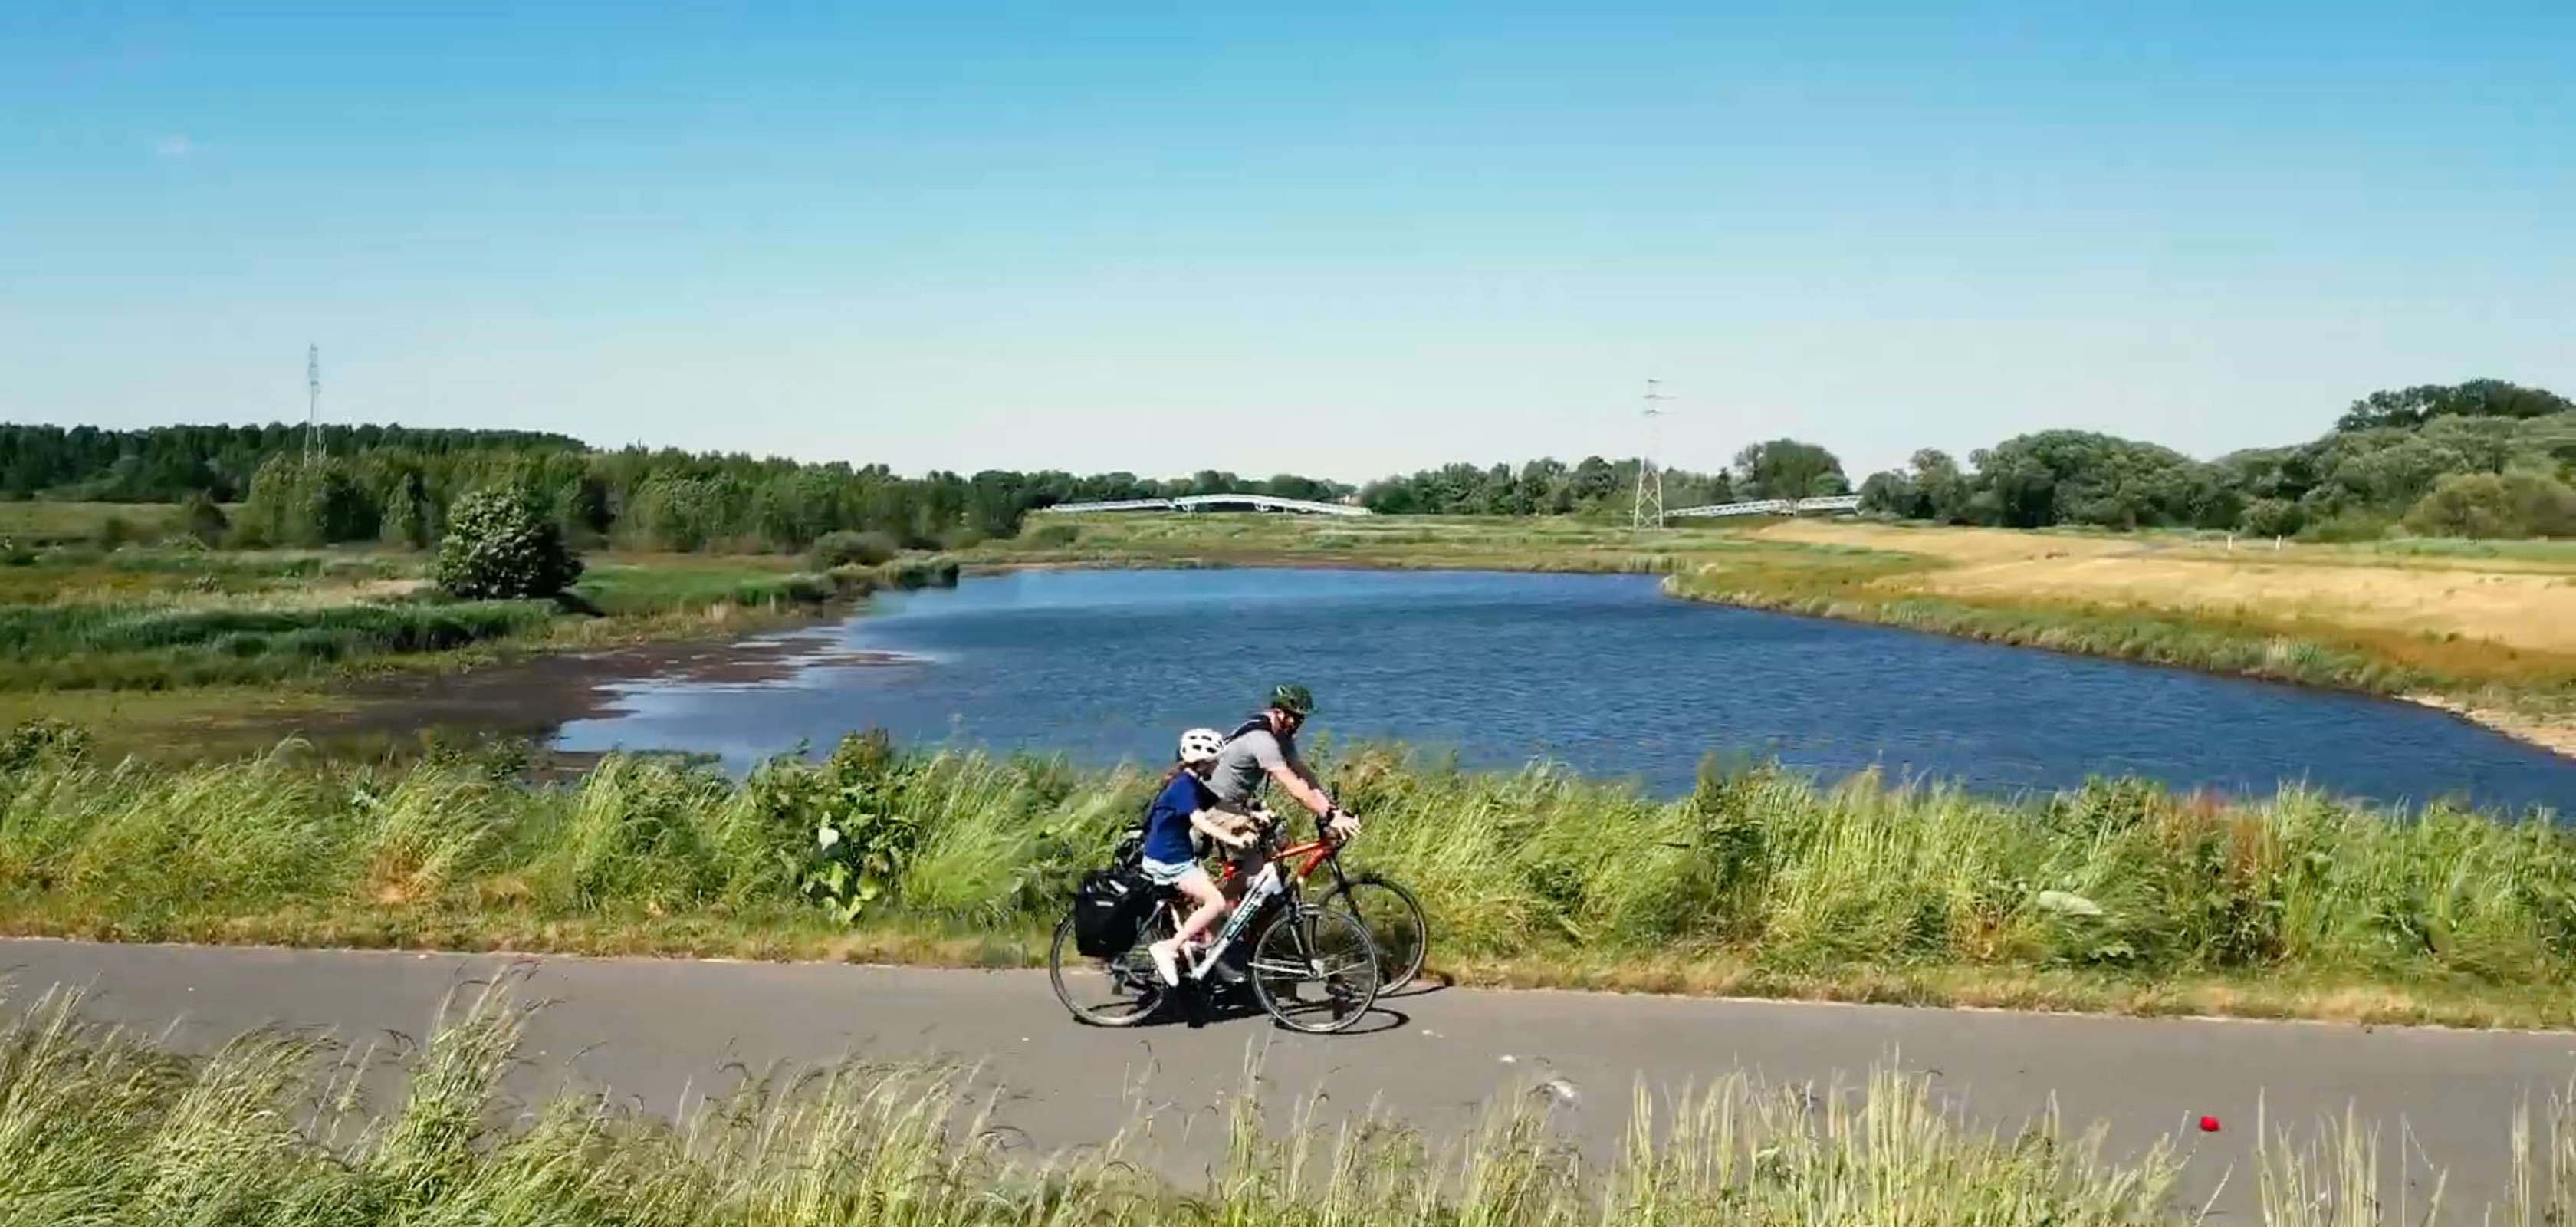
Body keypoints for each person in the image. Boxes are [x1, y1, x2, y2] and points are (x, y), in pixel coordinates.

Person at [1206, 683, 1361, 879]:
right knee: (1260, 872)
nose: (1299, 724)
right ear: (1279, 713)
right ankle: (1220, 906)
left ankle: (1249, 900)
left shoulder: (1281, 736)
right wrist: (1328, 814)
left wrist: (1332, 808)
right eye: (1296, 718)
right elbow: (1292, 784)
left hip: (1234, 803)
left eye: (1302, 719)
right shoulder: (1262, 739)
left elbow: (1303, 774)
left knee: (1278, 848)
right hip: (1214, 806)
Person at [1141, 727, 1252, 987]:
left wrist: (1254, 815)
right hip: (1168, 862)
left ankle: (1213, 959)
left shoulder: (1192, 783)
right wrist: (1235, 840)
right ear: (1203, 762)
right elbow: (1200, 819)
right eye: (1216, 761)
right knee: (1215, 902)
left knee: (1215, 905)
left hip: (1180, 857)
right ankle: (1169, 947)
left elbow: (1219, 804)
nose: (1218, 765)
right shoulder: (1183, 787)